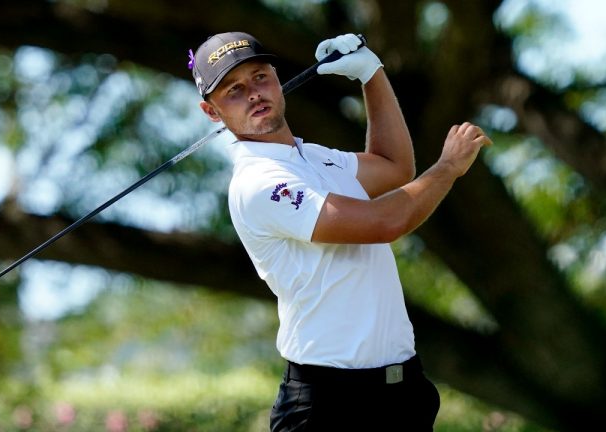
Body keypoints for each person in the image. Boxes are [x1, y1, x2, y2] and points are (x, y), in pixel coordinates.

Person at [189, 32, 491, 431]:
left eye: (260, 77)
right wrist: (448, 167)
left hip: (402, 392)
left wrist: (371, 74)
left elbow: (393, 165)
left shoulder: (313, 157)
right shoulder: (258, 183)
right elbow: (384, 222)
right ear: (212, 112)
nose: (253, 94)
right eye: (234, 90)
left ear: (277, 79)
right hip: (328, 405)